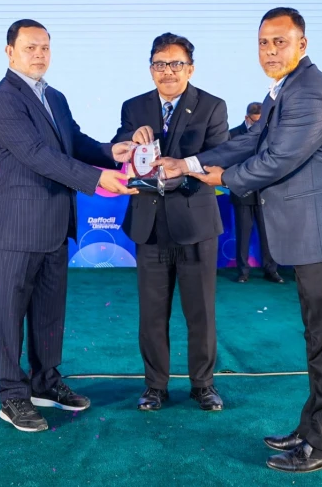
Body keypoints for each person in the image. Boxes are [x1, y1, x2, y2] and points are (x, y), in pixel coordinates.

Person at [156, 7, 322, 474]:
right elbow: (252, 141)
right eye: (263, 43)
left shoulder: (310, 92)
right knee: (320, 335)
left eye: (280, 41)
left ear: (301, 44)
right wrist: (187, 164)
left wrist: (223, 178)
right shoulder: (287, 90)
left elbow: (277, 158)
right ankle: (313, 427)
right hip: (315, 235)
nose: (270, 51)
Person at [0, 19, 136, 433]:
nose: (39, 54)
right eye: (30, 47)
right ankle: (11, 395)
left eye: (45, 47)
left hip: (55, 221)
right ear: (10, 51)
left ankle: (45, 382)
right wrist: (96, 178)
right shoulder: (2, 98)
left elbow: (74, 141)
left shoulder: (54, 96)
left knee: (50, 311)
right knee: (11, 313)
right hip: (19, 224)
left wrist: (111, 152)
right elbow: (36, 154)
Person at [113, 33, 229, 413]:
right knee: (152, 313)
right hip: (149, 225)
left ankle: (203, 385)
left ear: (190, 69)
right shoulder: (134, 107)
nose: (168, 71)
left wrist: (181, 169)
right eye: (160, 64)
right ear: (151, 69)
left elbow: (219, 156)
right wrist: (131, 140)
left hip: (195, 224)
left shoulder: (212, 106)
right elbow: (120, 147)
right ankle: (155, 386)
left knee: (201, 313)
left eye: (176, 64)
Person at [229, 101, 282, 284]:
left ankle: (271, 270)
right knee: (243, 234)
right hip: (242, 191)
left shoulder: (272, 134)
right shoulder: (233, 135)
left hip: (266, 192)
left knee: (268, 235)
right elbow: (228, 162)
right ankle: (243, 271)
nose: (258, 125)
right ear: (246, 118)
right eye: (255, 121)